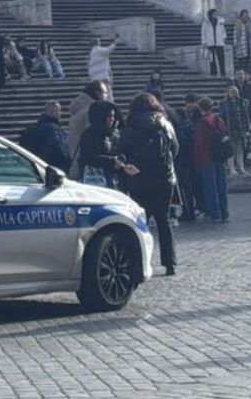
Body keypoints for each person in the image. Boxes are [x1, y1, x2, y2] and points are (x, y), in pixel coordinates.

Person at [123, 93, 178, 275]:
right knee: (164, 220)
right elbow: (175, 149)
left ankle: (139, 262)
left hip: (139, 178)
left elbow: (122, 150)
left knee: (141, 221)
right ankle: (169, 263)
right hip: (165, 178)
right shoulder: (165, 124)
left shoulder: (131, 125)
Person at [75, 101, 134, 191]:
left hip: (111, 180)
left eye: (113, 116)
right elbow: (90, 157)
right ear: (100, 117)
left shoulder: (112, 133)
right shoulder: (91, 135)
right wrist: (112, 161)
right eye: (109, 116)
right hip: (97, 182)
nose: (112, 119)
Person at [192, 97, 232, 222]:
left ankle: (214, 214)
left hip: (206, 158)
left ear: (200, 108)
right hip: (219, 157)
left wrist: (196, 162)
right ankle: (225, 212)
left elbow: (199, 144)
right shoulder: (218, 120)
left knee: (210, 188)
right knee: (221, 186)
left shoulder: (201, 123)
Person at [19, 101, 71, 171]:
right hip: (54, 165)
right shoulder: (52, 128)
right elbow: (58, 147)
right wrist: (67, 162)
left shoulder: (39, 126)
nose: (60, 114)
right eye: (58, 111)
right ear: (52, 112)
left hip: (42, 164)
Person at [67, 81, 106, 172]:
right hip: (89, 165)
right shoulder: (91, 111)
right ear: (98, 93)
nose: (106, 96)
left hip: (76, 161)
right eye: (105, 93)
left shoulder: (77, 111)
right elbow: (93, 138)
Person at [221, 86, 251, 177]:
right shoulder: (224, 104)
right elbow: (223, 117)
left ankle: (241, 167)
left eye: (234, 92)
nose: (232, 93)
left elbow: (246, 115)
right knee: (231, 150)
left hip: (241, 129)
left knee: (240, 149)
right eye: (231, 92)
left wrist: (247, 128)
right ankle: (232, 168)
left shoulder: (242, 102)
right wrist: (224, 131)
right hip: (230, 129)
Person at [202, 8, 227, 76]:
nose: (216, 15)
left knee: (221, 58)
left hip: (219, 42)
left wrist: (224, 38)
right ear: (211, 14)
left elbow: (223, 30)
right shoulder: (205, 23)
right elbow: (203, 33)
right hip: (210, 42)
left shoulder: (220, 21)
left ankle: (223, 72)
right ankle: (213, 72)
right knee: (212, 59)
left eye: (216, 14)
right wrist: (204, 42)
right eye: (214, 14)